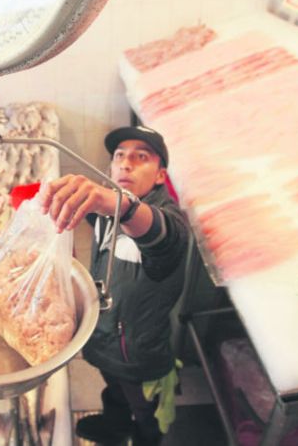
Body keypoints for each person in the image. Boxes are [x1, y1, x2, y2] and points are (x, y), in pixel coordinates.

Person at [39, 126, 189, 446]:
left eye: (141, 157)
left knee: (144, 409)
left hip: (138, 355)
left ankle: (146, 439)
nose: (126, 163)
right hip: (104, 339)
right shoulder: (105, 213)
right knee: (114, 389)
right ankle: (115, 424)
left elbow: (165, 238)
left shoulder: (167, 219)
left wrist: (125, 206)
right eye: (119, 156)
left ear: (160, 175)